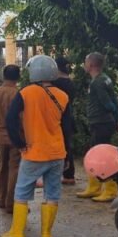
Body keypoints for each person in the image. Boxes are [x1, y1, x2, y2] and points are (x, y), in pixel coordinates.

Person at [0, 55, 69, 237]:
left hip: (34, 152)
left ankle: (17, 233)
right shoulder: (63, 96)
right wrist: (68, 153)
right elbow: (67, 126)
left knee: (21, 192)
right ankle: (46, 234)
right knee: (52, 193)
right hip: (57, 152)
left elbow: (11, 119)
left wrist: (19, 142)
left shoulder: (26, 92)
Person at [77, 53, 118, 202]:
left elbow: (108, 103)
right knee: (94, 154)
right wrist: (117, 120)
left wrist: (114, 117)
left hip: (101, 122)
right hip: (102, 122)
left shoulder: (98, 83)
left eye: (85, 61)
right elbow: (114, 100)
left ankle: (110, 189)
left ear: (91, 65)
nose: (84, 64)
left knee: (102, 157)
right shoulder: (104, 78)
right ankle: (94, 186)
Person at [0, 65, 21, 214]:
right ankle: (11, 203)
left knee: (1, 167)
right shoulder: (19, 94)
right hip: (16, 136)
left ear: (3, 76)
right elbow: (22, 117)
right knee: (14, 168)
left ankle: (1, 199)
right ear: (18, 77)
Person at [53, 56, 77, 185]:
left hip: (57, 118)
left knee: (59, 145)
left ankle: (59, 172)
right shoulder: (70, 82)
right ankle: (69, 174)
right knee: (68, 144)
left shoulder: (56, 83)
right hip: (68, 116)